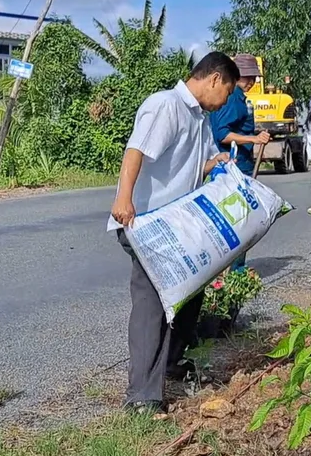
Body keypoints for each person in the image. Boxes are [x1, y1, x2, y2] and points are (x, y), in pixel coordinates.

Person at [108, 51, 241, 414]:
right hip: (146, 224)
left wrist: (219, 163)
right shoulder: (165, 105)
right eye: (227, 92)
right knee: (152, 305)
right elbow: (135, 151)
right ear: (214, 79)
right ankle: (142, 397)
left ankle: (169, 364)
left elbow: (199, 163)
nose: (226, 101)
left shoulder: (200, 117)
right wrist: (123, 199)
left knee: (189, 296)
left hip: (177, 228)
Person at [209, 53, 270, 272]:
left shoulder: (239, 96)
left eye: (253, 77)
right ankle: (234, 272)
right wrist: (253, 139)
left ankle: (232, 270)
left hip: (239, 164)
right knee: (238, 221)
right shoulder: (232, 96)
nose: (251, 81)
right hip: (232, 167)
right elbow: (223, 134)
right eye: (247, 77)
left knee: (239, 219)